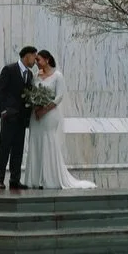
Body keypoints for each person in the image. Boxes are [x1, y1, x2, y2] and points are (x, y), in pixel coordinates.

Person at [22, 50, 95, 191]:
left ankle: (50, 178)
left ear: (47, 60)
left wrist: (45, 109)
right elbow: (32, 94)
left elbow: (59, 96)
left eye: (39, 60)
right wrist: (36, 107)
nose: (37, 63)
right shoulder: (35, 76)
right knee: (35, 142)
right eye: (35, 60)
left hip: (49, 115)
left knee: (48, 142)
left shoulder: (57, 76)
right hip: (35, 115)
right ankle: (34, 179)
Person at [0, 45, 38, 191]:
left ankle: (15, 179)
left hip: (22, 119)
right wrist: (3, 111)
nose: (35, 60)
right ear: (26, 56)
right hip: (9, 117)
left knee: (18, 150)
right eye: (34, 56)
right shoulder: (9, 69)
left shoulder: (30, 75)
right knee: (5, 147)